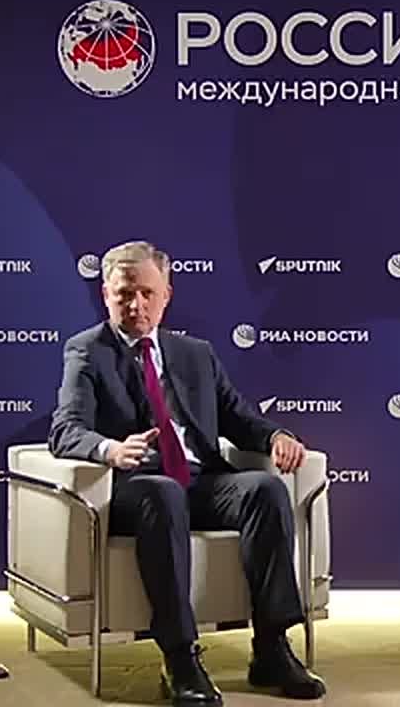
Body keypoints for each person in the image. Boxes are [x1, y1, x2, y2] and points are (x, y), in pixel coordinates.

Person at [48, 240, 326, 704]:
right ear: (106, 294)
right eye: (125, 294)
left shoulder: (195, 353)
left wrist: (276, 436)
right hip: (138, 487)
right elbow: (65, 429)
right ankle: (179, 657)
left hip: (201, 481)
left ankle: (272, 648)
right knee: (163, 493)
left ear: (167, 295)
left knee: (264, 488)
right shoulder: (87, 351)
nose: (136, 305)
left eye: (147, 294)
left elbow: (237, 417)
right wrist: (110, 449)